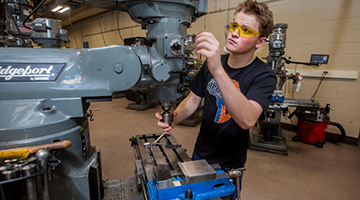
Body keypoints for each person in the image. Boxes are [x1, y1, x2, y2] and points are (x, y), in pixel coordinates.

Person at [156, 0, 276, 198]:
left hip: (230, 163)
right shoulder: (213, 63)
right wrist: (175, 117)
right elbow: (193, 100)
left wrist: (218, 70)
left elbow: (247, 119)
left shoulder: (263, 75)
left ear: (260, 42)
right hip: (200, 154)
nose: (235, 33)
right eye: (234, 26)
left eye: (245, 30)